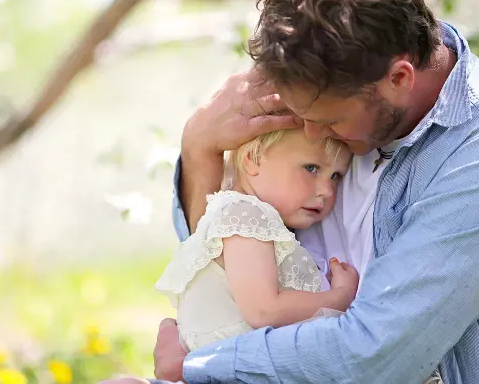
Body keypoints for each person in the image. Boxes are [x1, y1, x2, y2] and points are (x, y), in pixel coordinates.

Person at [146, 0, 479, 383]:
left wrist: (197, 367)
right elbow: (223, 260)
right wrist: (200, 150)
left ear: (399, 78)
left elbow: (373, 356)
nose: (308, 132)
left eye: (328, 122)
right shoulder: (335, 99)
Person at [152, 129, 360, 351]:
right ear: (253, 159)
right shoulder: (246, 214)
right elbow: (264, 311)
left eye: (335, 176)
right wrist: (339, 297)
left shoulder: (257, 220)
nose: (327, 190)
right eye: (311, 168)